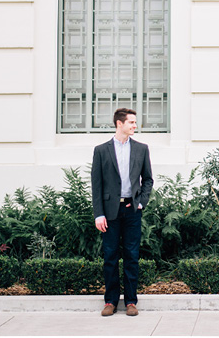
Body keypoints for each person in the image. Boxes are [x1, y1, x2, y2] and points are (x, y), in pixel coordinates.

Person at [91, 107, 154, 317]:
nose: (135, 126)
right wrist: (98, 214)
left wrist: (141, 203)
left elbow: (148, 180)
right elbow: (96, 185)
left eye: (135, 123)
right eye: (132, 122)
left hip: (132, 210)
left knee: (131, 256)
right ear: (120, 124)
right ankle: (110, 301)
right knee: (109, 256)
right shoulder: (101, 150)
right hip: (109, 212)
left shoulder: (141, 149)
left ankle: (130, 302)